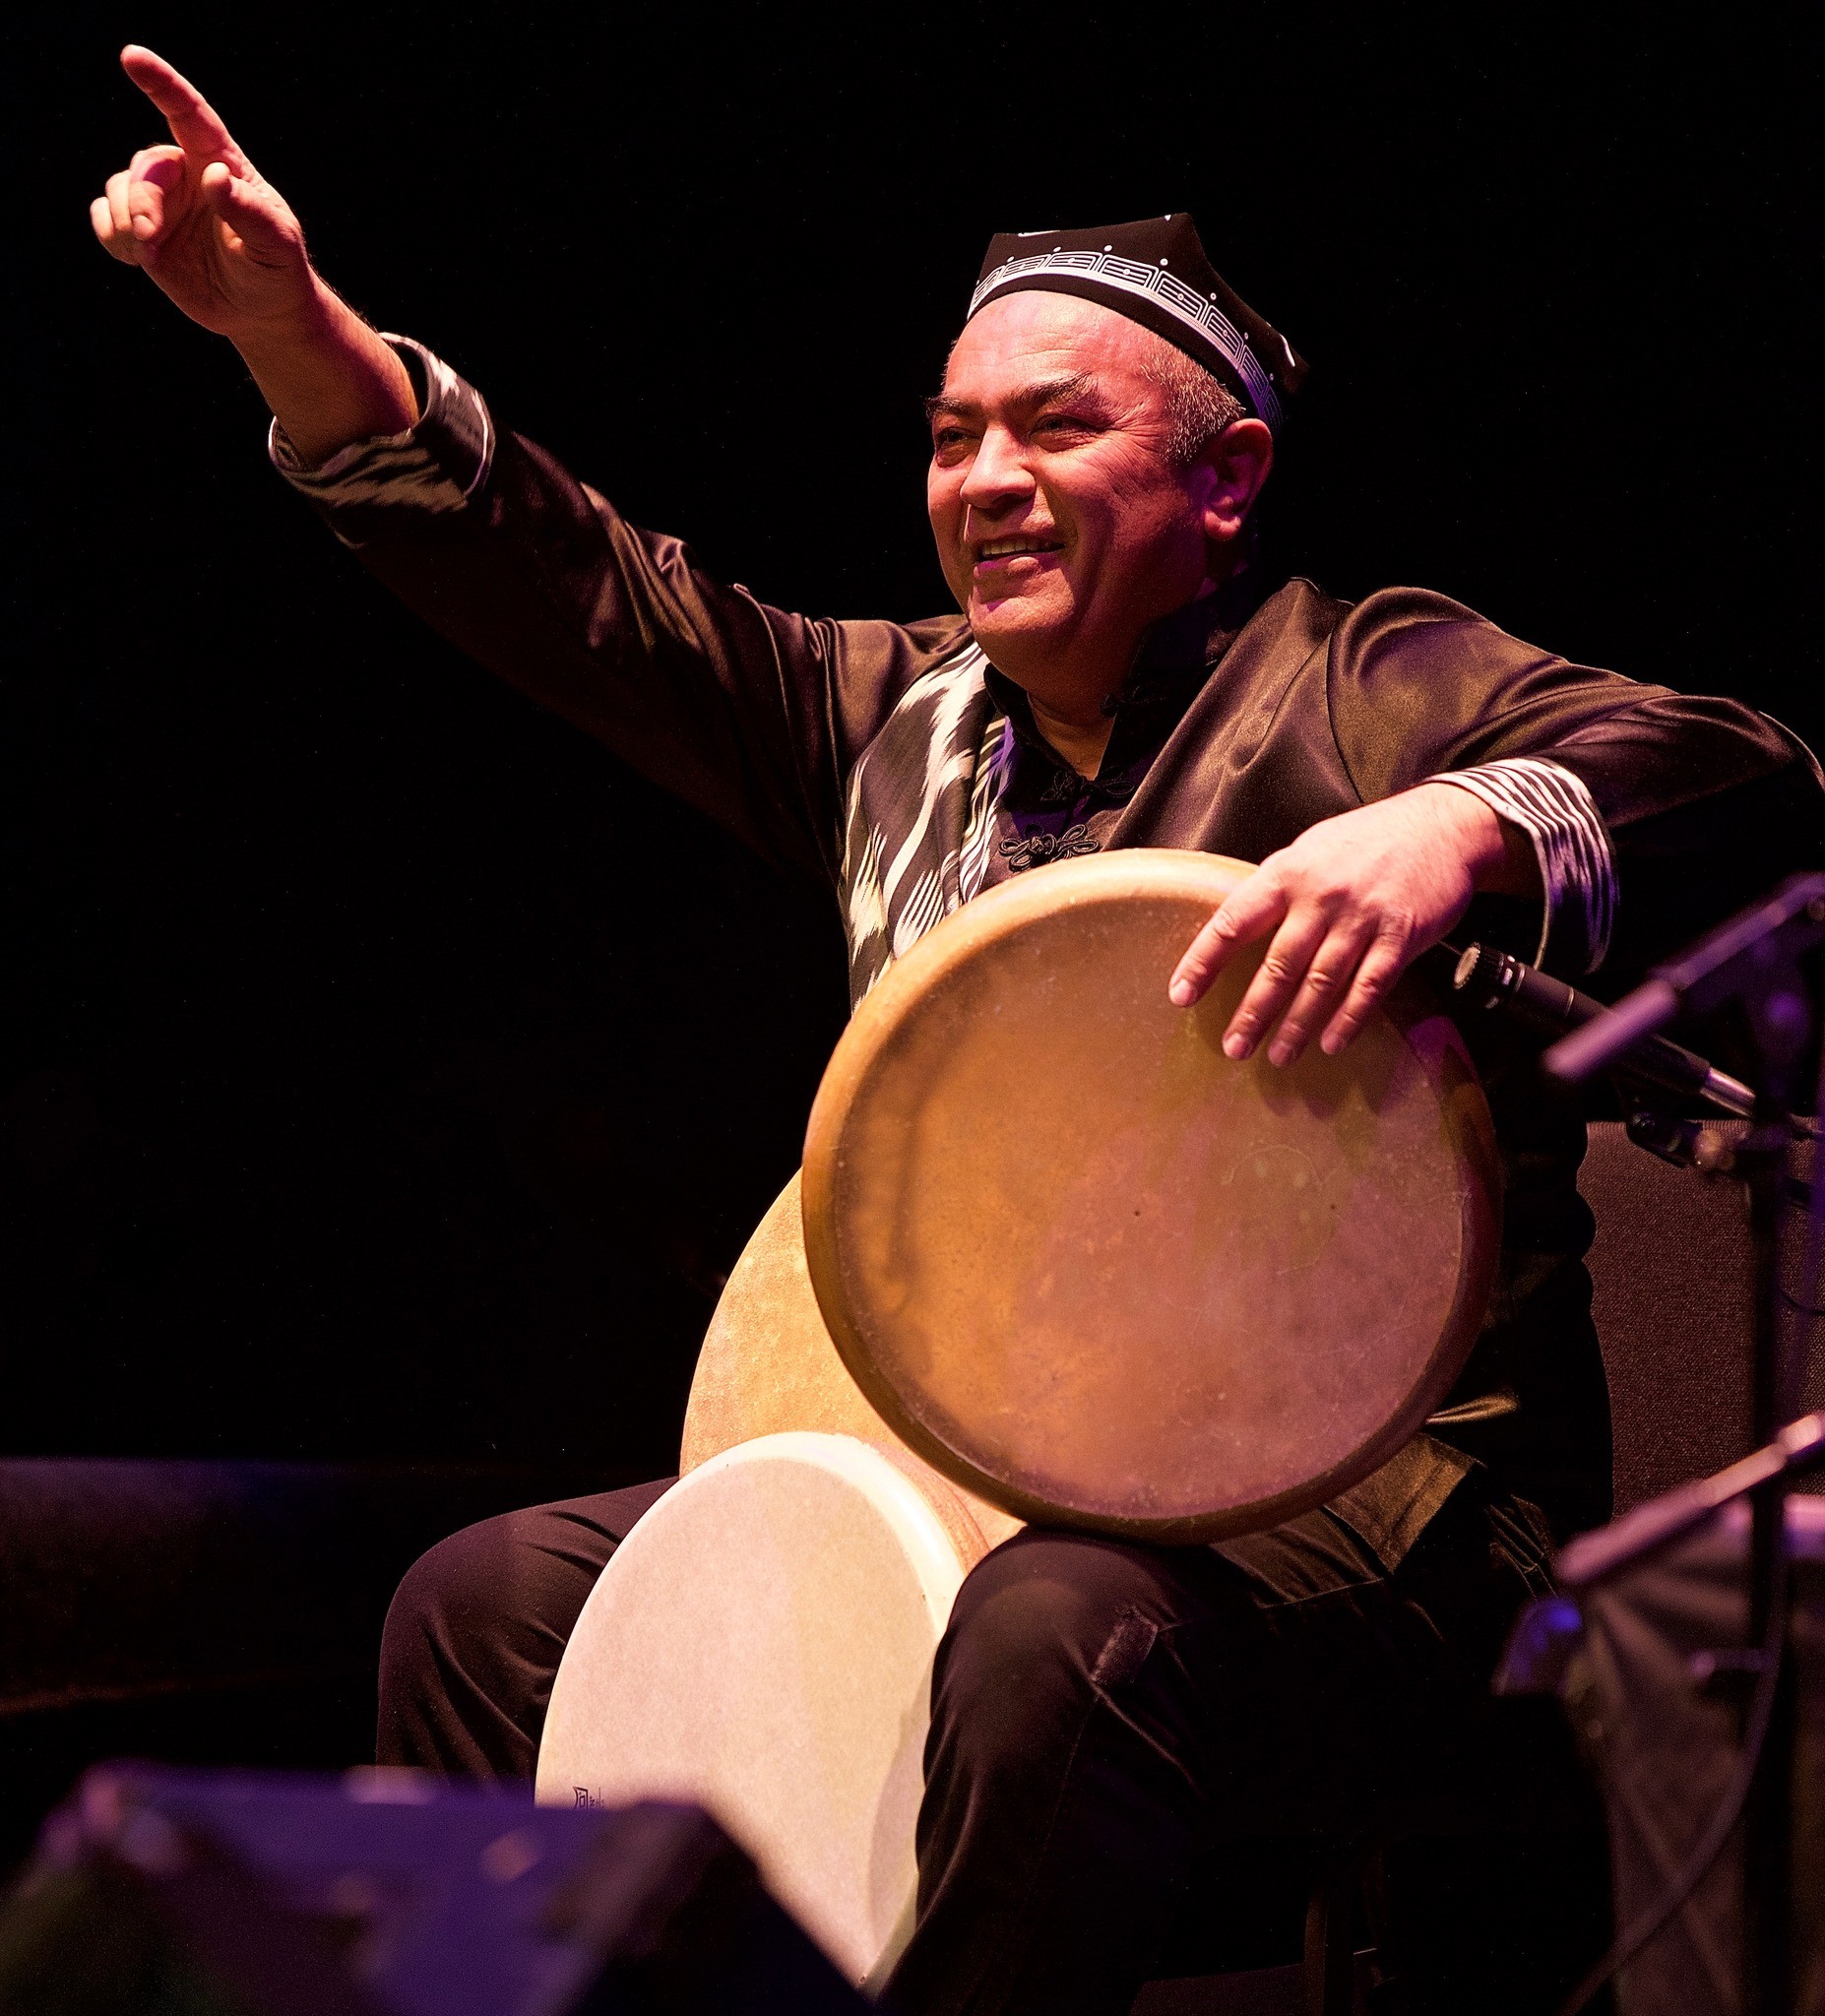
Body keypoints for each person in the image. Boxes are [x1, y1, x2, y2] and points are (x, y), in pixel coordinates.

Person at [91, 44, 1823, 2013]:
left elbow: (1751, 772)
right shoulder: (891, 723)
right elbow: (578, 587)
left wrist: (1458, 824)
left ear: (1224, 477)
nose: (980, 483)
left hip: (1382, 1515)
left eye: (1054, 431)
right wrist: (288, 326)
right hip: (961, 1473)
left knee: (1047, 1633)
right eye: (948, 438)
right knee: (487, 1610)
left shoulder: (1370, 686)